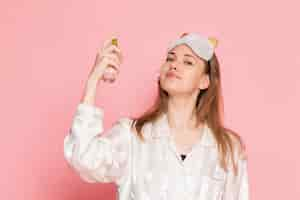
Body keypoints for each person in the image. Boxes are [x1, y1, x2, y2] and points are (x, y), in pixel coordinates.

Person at [63, 32, 250, 200]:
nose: (175, 65)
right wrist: (93, 79)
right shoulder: (132, 136)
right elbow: (84, 158)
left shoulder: (228, 148)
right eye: (170, 58)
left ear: (204, 81)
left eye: (188, 62)